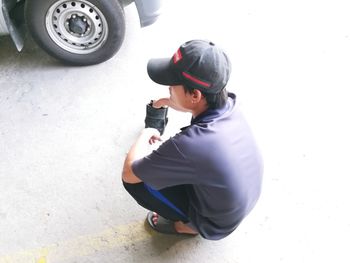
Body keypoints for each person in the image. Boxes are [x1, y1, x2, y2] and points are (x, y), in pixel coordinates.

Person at [122, 40, 263, 240]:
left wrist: (149, 129)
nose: (168, 87)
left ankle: (187, 226)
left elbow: (129, 173)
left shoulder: (189, 145)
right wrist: (168, 102)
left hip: (215, 224)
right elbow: (194, 106)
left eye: (172, 84)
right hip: (239, 200)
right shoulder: (229, 103)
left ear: (195, 95)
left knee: (137, 183)